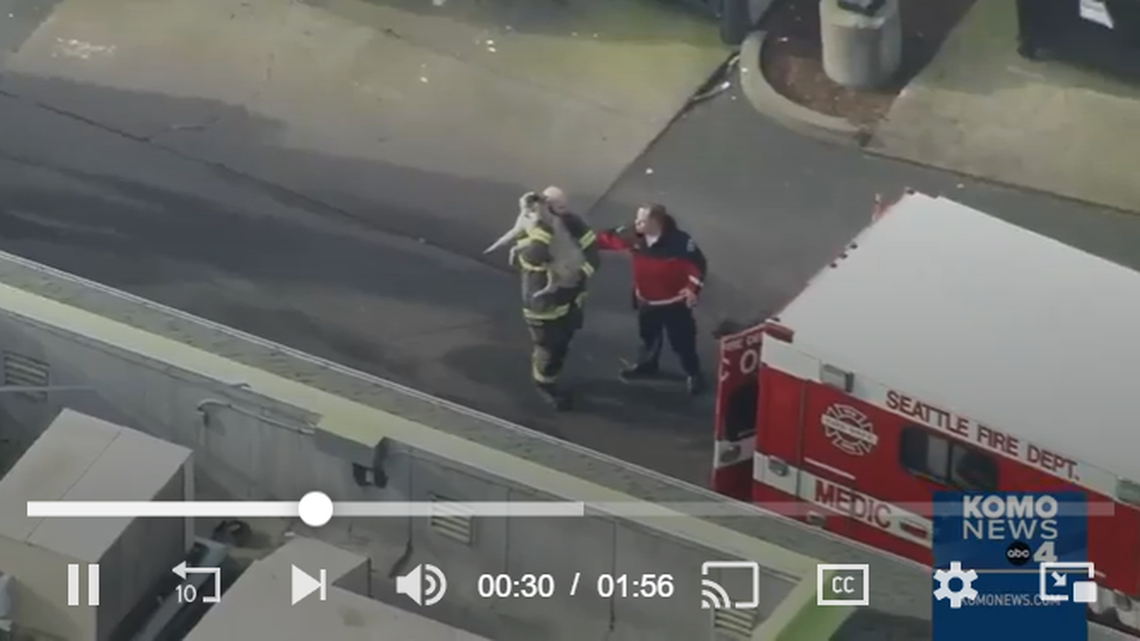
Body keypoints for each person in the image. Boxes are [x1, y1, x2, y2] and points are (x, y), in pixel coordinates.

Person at [595, 203, 707, 395]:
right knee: (648, 337)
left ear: (655, 222)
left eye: (642, 220)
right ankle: (647, 365)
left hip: (674, 304)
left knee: (682, 342)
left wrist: (692, 290)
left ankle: (694, 373)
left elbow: (698, 266)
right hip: (646, 302)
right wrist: (579, 238)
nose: (636, 223)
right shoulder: (633, 235)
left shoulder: (680, 243)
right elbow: (605, 239)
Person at [511, 186, 600, 410]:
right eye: (559, 207)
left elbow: (593, 254)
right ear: (546, 207)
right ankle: (544, 385)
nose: (565, 210)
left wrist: (579, 274)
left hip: (571, 299)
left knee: (564, 342)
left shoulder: (572, 222)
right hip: (543, 304)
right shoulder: (533, 230)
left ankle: (550, 372)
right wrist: (543, 227)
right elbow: (535, 255)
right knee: (550, 348)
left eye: (565, 205)